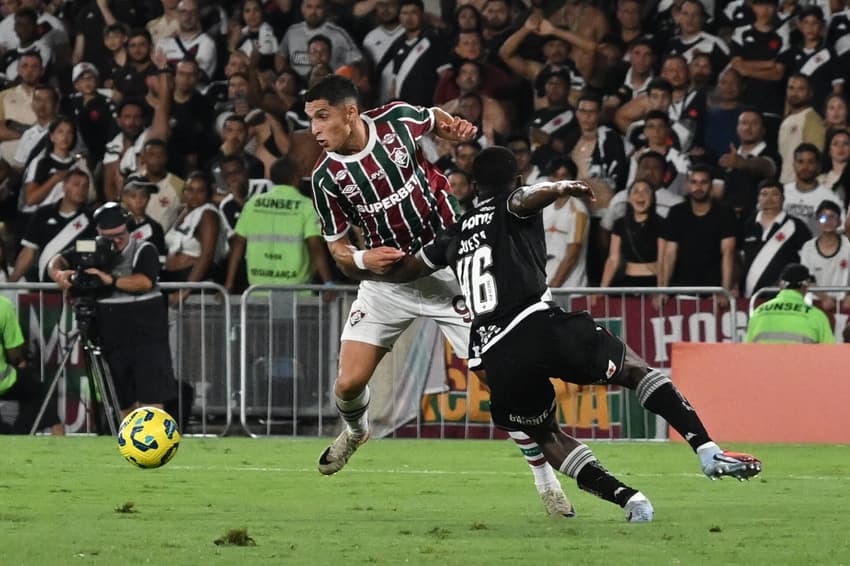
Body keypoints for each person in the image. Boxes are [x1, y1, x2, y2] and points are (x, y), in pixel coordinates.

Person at [359, 146, 761, 521]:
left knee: (545, 434)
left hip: (496, 354)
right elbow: (524, 200)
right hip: (538, 324)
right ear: (517, 178)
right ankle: (707, 451)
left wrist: (360, 260)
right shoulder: (513, 203)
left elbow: (410, 269)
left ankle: (631, 501)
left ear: (476, 185)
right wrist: (559, 187)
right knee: (635, 370)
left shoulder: (455, 233)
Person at [305, 75, 576, 517]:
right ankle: (356, 432)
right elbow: (337, 251)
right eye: (310, 120)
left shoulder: (395, 120)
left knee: (500, 383)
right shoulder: (325, 179)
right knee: (348, 384)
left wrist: (454, 126)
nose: (315, 130)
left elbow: (433, 118)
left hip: (449, 271)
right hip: (387, 283)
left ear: (349, 113)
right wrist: (361, 259)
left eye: (322, 117)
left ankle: (546, 482)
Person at [47, 202, 178, 417]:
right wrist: (60, 275)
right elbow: (58, 259)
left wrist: (109, 280)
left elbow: (143, 282)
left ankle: (153, 443)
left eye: (120, 235)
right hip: (111, 332)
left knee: (151, 395)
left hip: (146, 332)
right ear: (98, 232)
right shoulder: (91, 247)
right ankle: (128, 442)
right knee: (121, 395)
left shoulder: (144, 249)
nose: (116, 241)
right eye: (110, 236)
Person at [224, 156, 332, 291]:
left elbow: (238, 244)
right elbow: (315, 246)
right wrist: (328, 282)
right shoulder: (307, 206)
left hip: (258, 287)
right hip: (296, 289)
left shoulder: (252, 205)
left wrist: (229, 283)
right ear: (295, 178)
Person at [0, 294, 64, 435]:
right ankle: (19, 435)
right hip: (3, 381)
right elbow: (14, 352)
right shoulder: (3, 305)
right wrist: (20, 361)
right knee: (36, 390)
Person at [738, 180, 811, 298]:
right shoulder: (747, 225)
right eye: (764, 194)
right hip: (749, 298)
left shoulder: (796, 226)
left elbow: (808, 260)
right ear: (758, 198)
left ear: (783, 198)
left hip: (785, 297)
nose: (769, 198)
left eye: (774, 194)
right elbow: (738, 258)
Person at [744, 263, 835, 344]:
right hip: (802, 363)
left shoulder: (759, 312)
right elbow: (830, 355)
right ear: (807, 285)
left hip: (764, 363)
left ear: (780, 285)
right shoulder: (816, 316)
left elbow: (746, 350)